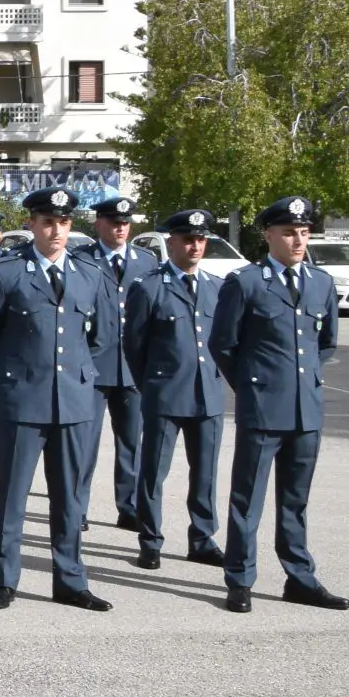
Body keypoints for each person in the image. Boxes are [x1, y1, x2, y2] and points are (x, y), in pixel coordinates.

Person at [0, 186, 110, 610]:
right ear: (32, 224)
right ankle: (5, 579)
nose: (56, 230)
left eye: (63, 222)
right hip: (22, 399)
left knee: (69, 498)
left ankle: (70, 580)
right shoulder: (7, 273)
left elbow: (99, 339)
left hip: (73, 402)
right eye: (48, 222)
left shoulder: (90, 274)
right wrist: (16, 370)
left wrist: (73, 375)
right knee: (12, 494)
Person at [209, 194, 348, 614]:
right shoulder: (246, 282)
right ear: (268, 235)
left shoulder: (321, 282)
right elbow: (223, 344)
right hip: (263, 408)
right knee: (247, 499)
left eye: (304, 232)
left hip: (306, 410)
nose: (298, 240)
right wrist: (253, 387)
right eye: (289, 232)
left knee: (295, 499)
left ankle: (300, 577)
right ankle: (240, 579)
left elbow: (326, 343)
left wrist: (300, 383)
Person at [124, 208, 228, 572]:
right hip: (164, 393)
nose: (195, 246)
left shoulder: (217, 287)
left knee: (205, 473)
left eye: (201, 239)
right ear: (171, 242)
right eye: (187, 239)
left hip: (208, 395)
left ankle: (202, 538)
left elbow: (226, 342)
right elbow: (133, 346)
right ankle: (150, 540)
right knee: (153, 473)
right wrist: (151, 383)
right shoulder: (150, 286)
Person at [84, 195, 160, 533]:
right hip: (92, 366)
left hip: (132, 369)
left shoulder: (146, 262)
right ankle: (77, 507)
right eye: (113, 222)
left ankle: (128, 507)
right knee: (82, 444)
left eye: (125, 223)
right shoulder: (82, 260)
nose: (120, 228)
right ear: (98, 223)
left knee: (132, 443)